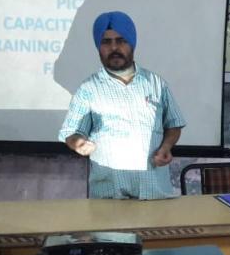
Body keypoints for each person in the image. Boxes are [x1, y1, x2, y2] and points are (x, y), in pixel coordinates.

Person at [59, 11, 186, 200]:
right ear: (99, 47)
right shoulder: (88, 89)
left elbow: (173, 124)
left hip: (154, 193)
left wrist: (166, 147)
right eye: (106, 42)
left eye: (121, 41)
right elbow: (71, 132)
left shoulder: (156, 83)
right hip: (109, 196)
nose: (114, 48)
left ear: (132, 44)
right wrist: (78, 143)